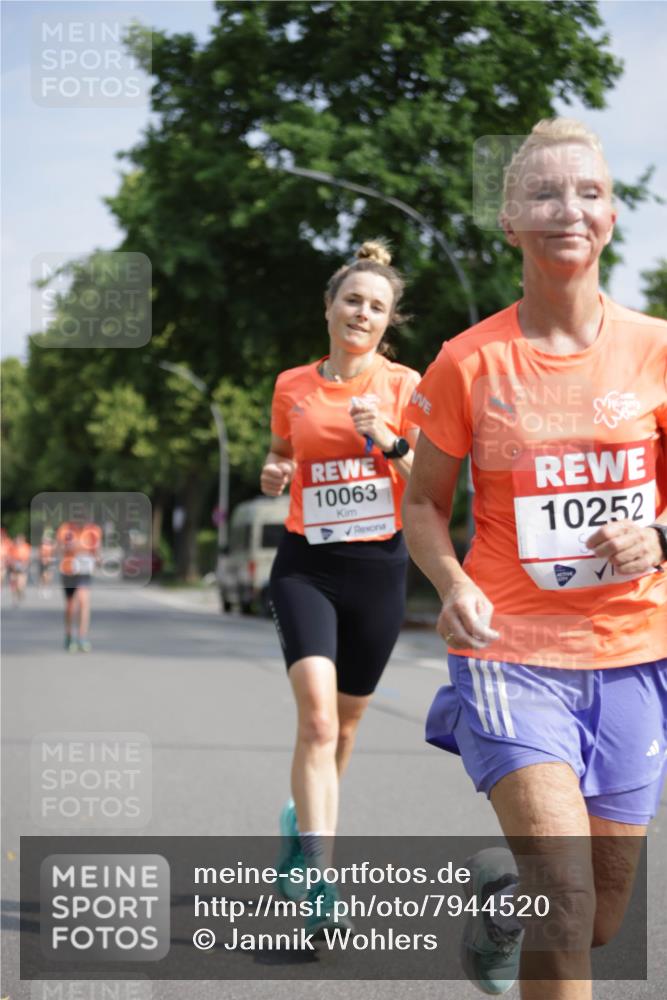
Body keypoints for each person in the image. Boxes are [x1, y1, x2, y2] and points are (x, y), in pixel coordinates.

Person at [403, 118, 667, 998]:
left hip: (635, 655)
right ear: (509, 220)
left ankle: (498, 903)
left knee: (598, 917)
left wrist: (657, 535)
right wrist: (450, 582)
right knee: (567, 891)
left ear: (612, 215)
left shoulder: (656, 349)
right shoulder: (466, 363)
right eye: (544, 194)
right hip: (511, 652)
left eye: (587, 192)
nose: (568, 210)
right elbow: (422, 505)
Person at [261, 239, 421, 935]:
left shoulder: (405, 386)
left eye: (376, 306)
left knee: (347, 727)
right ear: (327, 307)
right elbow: (278, 454)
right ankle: (321, 879)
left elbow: (431, 481)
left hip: (377, 570)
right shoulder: (291, 385)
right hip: (306, 566)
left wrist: (389, 440)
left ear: (388, 322)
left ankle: (302, 825)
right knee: (318, 720)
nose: (362, 312)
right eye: (351, 299)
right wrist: (272, 474)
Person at [56, 519, 102, 652]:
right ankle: (69, 635)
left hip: (84, 571)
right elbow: (58, 549)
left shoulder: (94, 530)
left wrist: (98, 559)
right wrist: (68, 547)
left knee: (84, 601)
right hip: (69, 570)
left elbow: (97, 551)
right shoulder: (66, 529)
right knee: (71, 605)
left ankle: (82, 637)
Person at [7, 533, 32, 606]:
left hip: (22, 567)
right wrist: (11, 563)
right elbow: (8, 557)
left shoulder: (27, 547)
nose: (18, 541)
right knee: (13, 582)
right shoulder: (12, 547)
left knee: (20, 584)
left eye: (20, 540)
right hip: (13, 567)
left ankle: (20, 593)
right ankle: (14, 599)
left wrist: (25, 564)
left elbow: (28, 558)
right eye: (17, 540)